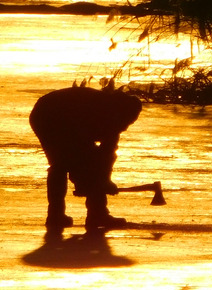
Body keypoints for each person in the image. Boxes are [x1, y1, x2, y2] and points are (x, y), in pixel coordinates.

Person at [29, 82, 142, 232]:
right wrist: (86, 180)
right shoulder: (97, 112)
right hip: (48, 116)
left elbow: (106, 155)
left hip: (63, 118)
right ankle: (60, 215)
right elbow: (82, 152)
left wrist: (105, 180)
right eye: (127, 121)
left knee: (83, 165)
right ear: (119, 113)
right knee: (61, 164)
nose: (126, 127)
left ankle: (96, 214)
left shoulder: (114, 120)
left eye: (131, 123)